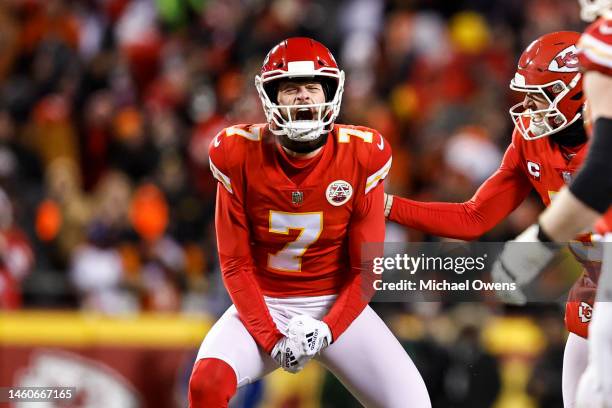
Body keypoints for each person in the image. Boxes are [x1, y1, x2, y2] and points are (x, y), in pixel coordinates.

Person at [188, 37, 431, 408]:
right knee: (206, 384)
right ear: (270, 97)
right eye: (290, 89)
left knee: (412, 404)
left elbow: (367, 269)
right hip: (265, 302)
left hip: (335, 304)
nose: (302, 97)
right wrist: (271, 339)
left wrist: (329, 328)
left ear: (330, 93)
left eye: (311, 87)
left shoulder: (362, 153)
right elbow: (235, 264)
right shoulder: (237, 153)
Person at [383, 31, 598, 407]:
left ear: (579, 92)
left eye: (541, 97)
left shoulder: (603, 143)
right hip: (594, 286)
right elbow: (475, 216)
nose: (530, 109)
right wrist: (383, 205)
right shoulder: (531, 140)